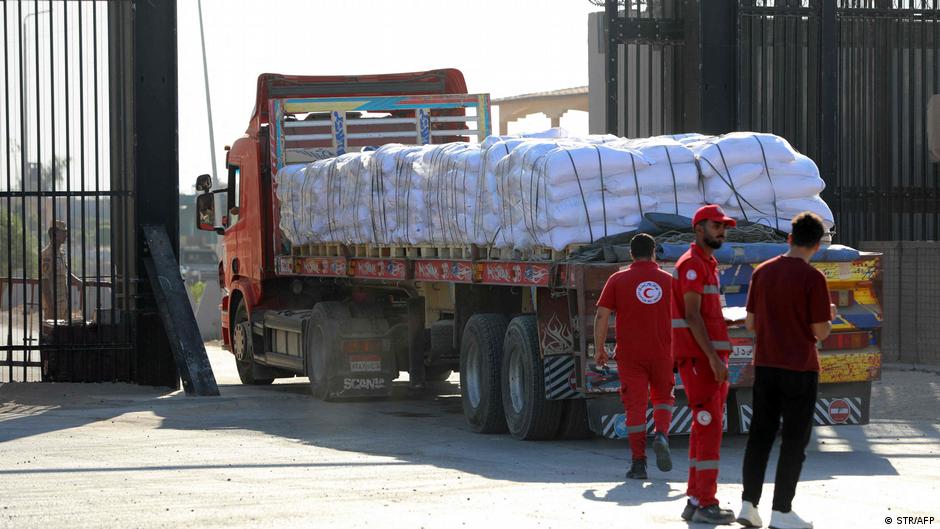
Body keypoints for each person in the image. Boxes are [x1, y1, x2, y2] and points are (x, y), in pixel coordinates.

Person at [736, 212, 835, 529]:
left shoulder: (762, 272)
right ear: (817, 245)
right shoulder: (813, 278)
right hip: (800, 368)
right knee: (793, 441)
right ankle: (781, 511)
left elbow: (751, 324)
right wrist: (829, 317)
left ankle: (748, 505)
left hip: (766, 365)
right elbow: (819, 331)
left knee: (759, 436)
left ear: (789, 238)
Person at [672, 204, 737, 525]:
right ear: (699, 229)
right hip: (701, 361)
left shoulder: (707, 263)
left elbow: (705, 315)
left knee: (703, 428)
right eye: (716, 226)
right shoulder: (693, 265)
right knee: (709, 429)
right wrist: (712, 357)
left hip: (708, 359)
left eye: (724, 227)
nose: (722, 231)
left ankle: (695, 499)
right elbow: (692, 315)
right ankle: (706, 503)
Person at [594, 233, 675, 480]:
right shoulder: (669, 281)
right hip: (663, 352)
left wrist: (599, 349)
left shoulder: (618, 279)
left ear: (630, 254)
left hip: (630, 355)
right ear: (654, 253)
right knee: (663, 397)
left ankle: (639, 464)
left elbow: (602, 315)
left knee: (635, 407)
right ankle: (661, 434)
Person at [40, 220, 83, 321]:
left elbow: (65, 271)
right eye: (63, 232)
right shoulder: (47, 254)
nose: (66, 235)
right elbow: (44, 281)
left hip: (64, 303)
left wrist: (77, 281)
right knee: (54, 330)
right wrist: (50, 307)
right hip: (53, 304)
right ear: (54, 234)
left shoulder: (61, 253)